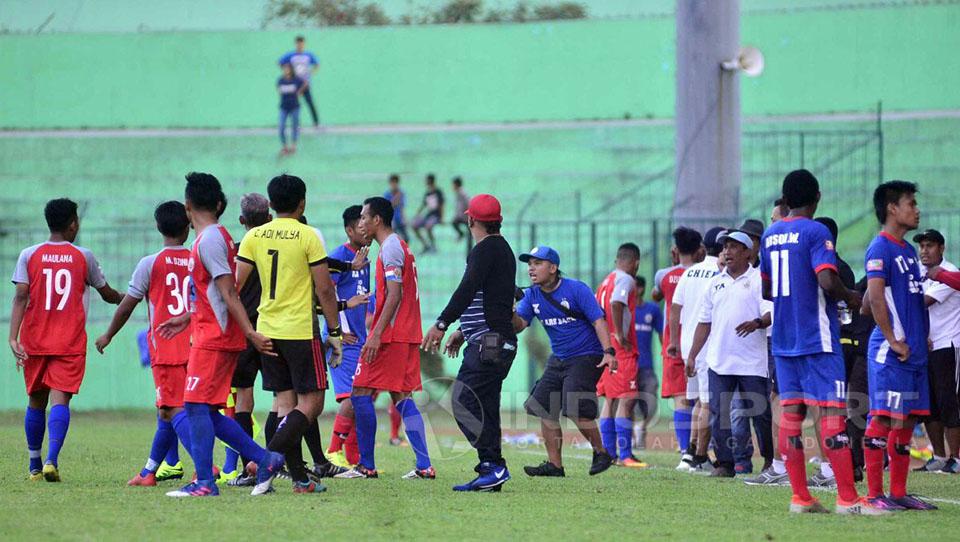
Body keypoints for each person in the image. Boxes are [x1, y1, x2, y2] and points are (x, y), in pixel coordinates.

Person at [157, 172, 285, 498]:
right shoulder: (215, 237)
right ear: (217, 202)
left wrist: (250, 333)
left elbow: (229, 292)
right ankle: (265, 459)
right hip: (209, 331)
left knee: (193, 406)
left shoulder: (211, 239)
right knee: (207, 410)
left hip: (215, 337)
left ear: (187, 206)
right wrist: (187, 317)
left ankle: (204, 482)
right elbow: (216, 292)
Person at [759, 169, 872, 514]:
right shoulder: (816, 231)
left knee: (791, 414)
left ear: (786, 199)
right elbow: (826, 279)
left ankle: (800, 497)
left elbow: (766, 289)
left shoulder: (770, 235)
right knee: (832, 414)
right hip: (818, 338)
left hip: (783, 339)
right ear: (817, 197)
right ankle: (847, 499)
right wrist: (851, 296)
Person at [233, 174, 347, 494]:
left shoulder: (254, 236)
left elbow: (235, 287)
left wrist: (245, 329)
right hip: (298, 330)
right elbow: (324, 288)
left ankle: (299, 478)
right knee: (312, 404)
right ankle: (269, 461)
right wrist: (335, 332)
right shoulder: (308, 235)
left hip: (266, 330)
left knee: (285, 404)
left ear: (271, 204)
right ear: (302, 203)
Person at [9, 199, 123, 482]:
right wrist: (129, 297)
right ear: (73, 223)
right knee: (60, 400)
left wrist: (13, 338)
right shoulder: (83, 256)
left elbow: (21, 296)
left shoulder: (28, 255)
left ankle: (34, 465)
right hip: (69, 342)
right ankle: (51, 460)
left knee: (36, 401)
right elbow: (106, 293)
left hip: (34, 339)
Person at [422, 194, 518, 492]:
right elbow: (494, 297)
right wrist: (463, 330)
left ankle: (493, 466)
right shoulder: (500, 250)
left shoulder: (485, 250)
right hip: (494, 339)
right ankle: (492, 468)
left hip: (489, 341)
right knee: (485, 407)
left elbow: (468, 288)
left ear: (471, 220)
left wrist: (442, 322)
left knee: (462, 402)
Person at [94, 201, 193, 486]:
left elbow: (127, 306)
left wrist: (108, 334)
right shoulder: (196, 259)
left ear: (158, 227)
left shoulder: (150, 263)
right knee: (169, 409)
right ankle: (149, 472)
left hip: (166, 348)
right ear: (187, 227)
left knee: (172, 409)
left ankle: (205, 466)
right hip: (196, 345)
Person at [337, 196, 435, 480]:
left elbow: (395, 293)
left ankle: (366, 465)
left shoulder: (390, 247)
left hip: (392, 335)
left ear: (377, 219)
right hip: (406, 333)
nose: (361, 223)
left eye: (364, 218)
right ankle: (424, 465)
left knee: (360, 391)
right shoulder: (399, 245)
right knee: (401, 395)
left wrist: (376, 334)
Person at [860, 181, 937, 510]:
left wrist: (923, 335)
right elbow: (875, 296)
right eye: (910, 203)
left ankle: (898, 492)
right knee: (882, 419)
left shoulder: (906, 250)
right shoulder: (880, 248)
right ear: (892, 208)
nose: (916, 209)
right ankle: (874, 494)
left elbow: (871, 301)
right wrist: (892, 338)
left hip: (915, 352)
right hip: (890, 353)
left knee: (906, 422)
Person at [514, 246, 617, 476]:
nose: (531, 268)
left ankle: (602, 452)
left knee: (576, 407)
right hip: (559, 357)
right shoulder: (531, 295)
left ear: (553, 268)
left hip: (586, 355)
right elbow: (519, 325)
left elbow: (599, 321)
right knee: (544, 407)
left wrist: (608, 352)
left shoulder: (576, 289)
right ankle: (555, 466)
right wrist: (509, 309)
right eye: (529, 263)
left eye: (537, 263)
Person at [686, 231, 773, 478]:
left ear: (748, 252)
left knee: (760, 414)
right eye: (725, 247)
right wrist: (693, 355)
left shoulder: (759, 280)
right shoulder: (715, 283)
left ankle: (769, 461)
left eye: (734, 247)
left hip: (752, 362)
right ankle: (724, 464)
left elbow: (770, 313)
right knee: (718, 413)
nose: (727, 251)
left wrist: (757, 322)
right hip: (719, 361)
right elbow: (704, 323)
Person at [221, 193, 273, 487]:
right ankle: (279, 460)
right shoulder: (275, 249)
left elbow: (230, 291)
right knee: (283, 398)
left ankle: (249, 466)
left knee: (243, 398)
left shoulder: (236, 255)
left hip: (243, 331)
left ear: (241, 221)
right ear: (269, 218)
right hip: (272, 330)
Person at [669, 226, 725, 473]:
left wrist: (673, 340)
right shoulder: (720, 273)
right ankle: (699, 456)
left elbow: (675, 309)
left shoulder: (690, 272)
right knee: (706, 403)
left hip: (687, 344)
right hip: (707, 344)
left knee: (697, 402)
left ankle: (690, 454)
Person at [325, 205, 375, 468]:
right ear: (349, 230)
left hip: (359, 338)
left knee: (363, 398)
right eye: (360, 226)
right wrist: (339, 329)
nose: (365, 230)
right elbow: (326, 292)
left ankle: (355, 458)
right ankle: (333, 451)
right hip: (342, 341)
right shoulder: (338, 257)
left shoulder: (364, 258)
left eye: (367, 224)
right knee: (352, 397)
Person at [913, 228, 960, 474]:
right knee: (929, 404)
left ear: (941, 248)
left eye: (929, 246)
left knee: (948, 401)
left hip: (947, 345)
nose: (924, 250)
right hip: (927, 346)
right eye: (921, 246)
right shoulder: (920, 274)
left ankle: (956, 457)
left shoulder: (948, 273)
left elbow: (920, 303)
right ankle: (939, 456)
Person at [595, 243, 646, 467]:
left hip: (604, 346)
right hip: (620, 348)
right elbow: (617, 302)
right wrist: (620, 334)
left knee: (611, 401)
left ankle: (609, 453)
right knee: (627, 398)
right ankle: (625, 455)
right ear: (635, 262)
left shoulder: (605, 281)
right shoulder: (625, 279)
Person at [654, 227, 701, 467]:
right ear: (700, 249)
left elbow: (655, 296)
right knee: (702, 399)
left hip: (673, 343)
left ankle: (685, 450)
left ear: (675, 250)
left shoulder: (664, 275)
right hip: (699, 341)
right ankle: (700, 450)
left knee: (681, 399)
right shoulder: (706, 273)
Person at [633, 276, 663, 450]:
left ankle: (641, 427)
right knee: (626, 402)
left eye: (638, 286)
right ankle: (629, 437)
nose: (635, 289)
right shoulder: (622, 309)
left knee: (651, 402)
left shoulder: (652, 310)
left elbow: (661, 334)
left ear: (642, 288)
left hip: (646, 365)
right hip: (628, 365)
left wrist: (666, 351)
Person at [278, 35, 319, 127]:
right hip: (295, 84)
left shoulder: (308, 55)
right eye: (298, 44)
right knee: (295, 104)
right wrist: (288, 74)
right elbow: (280, 62)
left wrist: (311, 73)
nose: (300, 46)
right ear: (296, 44)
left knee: (309, 102)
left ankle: (316, 123)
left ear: (304, 44)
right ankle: (297, 124)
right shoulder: (291, 55)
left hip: (305, 83)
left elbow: (317, 64)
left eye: (301, 44)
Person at [277, 63, 307, 155]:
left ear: (291, 70)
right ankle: (285, 147)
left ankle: (293, 146)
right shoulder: (281, 80)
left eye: (288, 69)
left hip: (294, 107)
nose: (286, 70)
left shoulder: (296, 80)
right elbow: (278, 89)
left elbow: (305, 83)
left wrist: (299, 92)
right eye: (284, 69)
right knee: (281, 127)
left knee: (295, 126)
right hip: (284, 107)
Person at [412, 174, 444, 253]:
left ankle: (433, 245)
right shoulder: (427, 193)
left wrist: (441, 217)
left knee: (428, 226)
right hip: (429, 215)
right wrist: (417, 214)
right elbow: (424, 204)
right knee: (414, 225)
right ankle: (425, 245)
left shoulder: (438, 192)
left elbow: (441, 205)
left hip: (436, 215)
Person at [383, 174, 408, 241]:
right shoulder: (387, 194)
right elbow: (386, 207)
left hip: (399, 218)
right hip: (391, 219)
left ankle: (404, 251)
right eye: (392, 183)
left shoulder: (401, 193)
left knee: (406, 238)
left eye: (395, 183)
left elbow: (402, 207)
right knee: (393, 238)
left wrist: (404, 218)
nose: (394, 185)